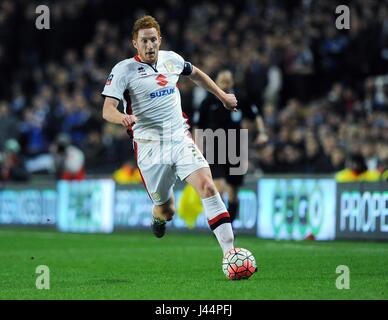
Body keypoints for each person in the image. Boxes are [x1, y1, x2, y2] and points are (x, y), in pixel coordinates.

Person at [101, 16, 238, 257]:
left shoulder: (171, 59)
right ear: (135, 43)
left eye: (153, 40)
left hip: (179, 138)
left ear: (160, 40)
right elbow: (107, 109)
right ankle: (158, 216)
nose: (150, 45)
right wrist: (122, 117)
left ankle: (230, 253)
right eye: (144, 41)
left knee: (207, 186)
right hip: (149, 147)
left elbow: (195, 74)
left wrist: (222, 95)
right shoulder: (123, 70)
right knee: (167, 211)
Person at [195, 70, 267, 222]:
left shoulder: (240, 98)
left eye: (228, 81)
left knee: (233, 191)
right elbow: (198, 126)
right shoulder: (208, 101)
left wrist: (261, 132)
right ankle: (221, 224)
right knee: (219, 187)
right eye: (222, 80)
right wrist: (198, 147)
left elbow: (255, 115)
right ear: (217, 81)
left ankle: (230, 224)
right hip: (215, 146)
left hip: (236, 147)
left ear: (232, 82)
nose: (225, 84)